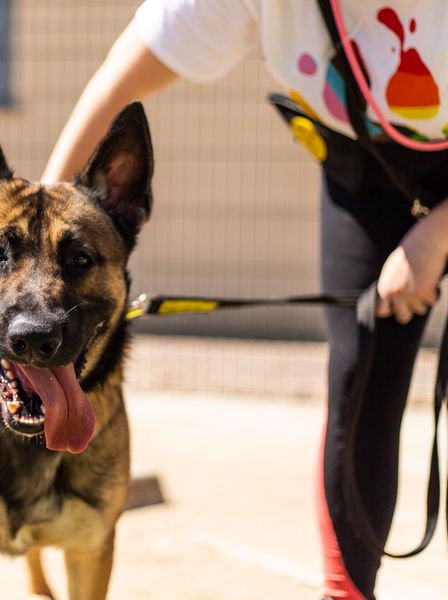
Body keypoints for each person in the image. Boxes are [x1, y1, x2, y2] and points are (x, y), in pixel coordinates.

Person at [41, 2, 448, 599]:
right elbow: (118, 82)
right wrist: (40, 247)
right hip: (365, 167)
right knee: (358, 370)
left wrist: (438, 234)